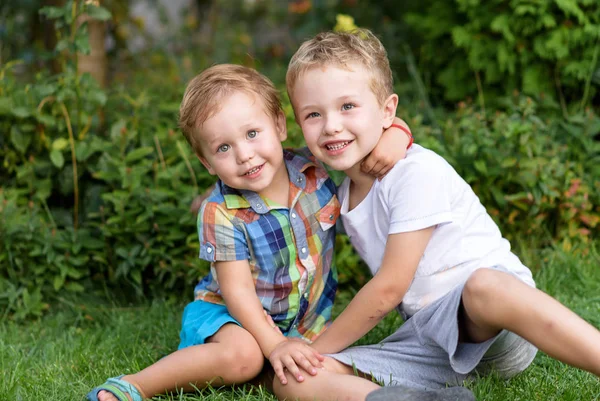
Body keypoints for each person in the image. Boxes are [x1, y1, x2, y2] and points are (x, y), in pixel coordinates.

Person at [273, 29, 600, 401]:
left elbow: (390, 288)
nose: (331, 125)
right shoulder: (341, 195)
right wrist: (314, 360)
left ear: (387, 111)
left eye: (347, 106)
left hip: (496, 325)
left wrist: (320, 347)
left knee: (483, 286)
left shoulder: (414, 172)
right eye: (313, 114)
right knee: (297, 380)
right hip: (431, 342)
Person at [86, 63, 413, 401]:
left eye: (252, 134)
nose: (244, 154)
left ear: (280, 125)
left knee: (306, 371)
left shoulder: (314, 169)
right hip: (230, 317)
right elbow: (237, 293)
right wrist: (274, 345)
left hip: (303, 326)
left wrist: (397, 133)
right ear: (207, 162)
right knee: (244, 357)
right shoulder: (221, 212)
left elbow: (359, 136)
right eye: (223, 148)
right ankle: (134, 385)